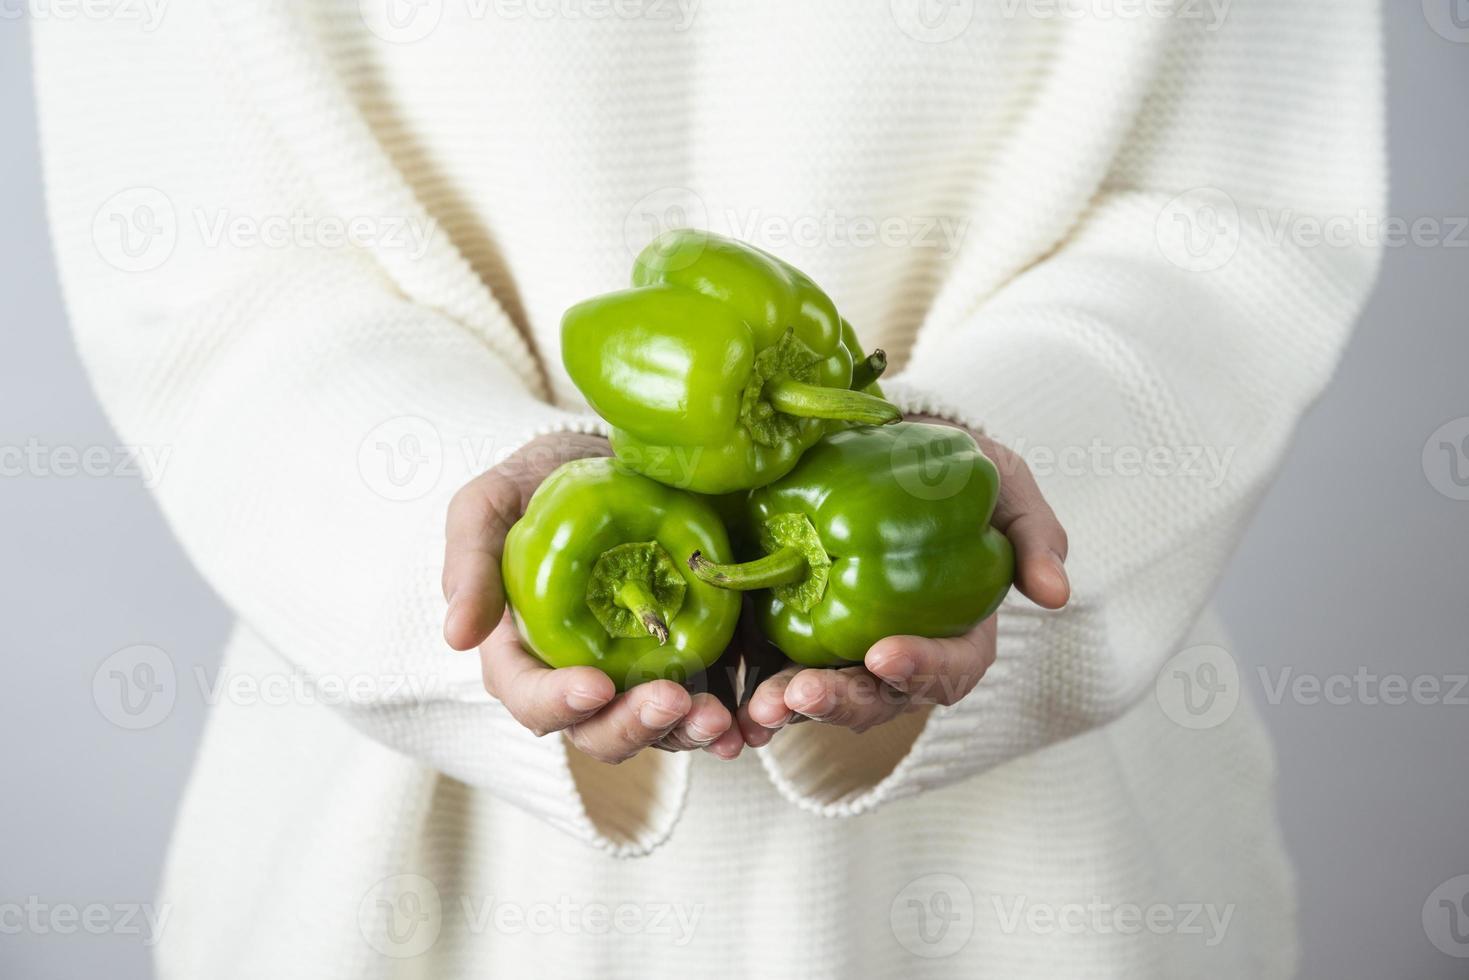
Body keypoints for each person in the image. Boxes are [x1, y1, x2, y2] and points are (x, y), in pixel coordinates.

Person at [34, 1, 1383, 976]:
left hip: (1046, 890)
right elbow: (207, 270)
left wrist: (973, 457)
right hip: (395, 876)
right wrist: (447, 525)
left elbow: (1230, 210)